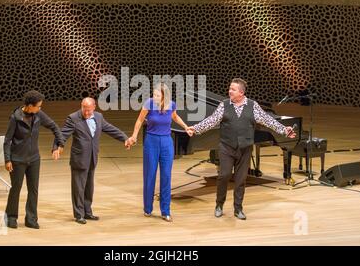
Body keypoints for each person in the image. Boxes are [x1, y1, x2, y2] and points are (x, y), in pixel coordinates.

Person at [187, 78, 296, 220]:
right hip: (227, 147)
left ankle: (238, 208)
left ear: (241, 92)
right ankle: (219, 205)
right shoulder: (224, 105)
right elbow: (211, 120)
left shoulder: (253, 106)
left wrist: (283, 129)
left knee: (240, 179)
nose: (229, 91)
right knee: (224, 176)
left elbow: (268, 120)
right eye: (230, 88)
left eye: (233, 89)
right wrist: (195, 129)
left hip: (245, 149)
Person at [52, 97, 132, 224]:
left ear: (94, 107)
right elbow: (63, 134)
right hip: (79, 158)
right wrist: (56, 147)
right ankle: (79, 215)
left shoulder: (99, 117)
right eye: (84, 109)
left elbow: (110, 129)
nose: (86, 112)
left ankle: (87, 212)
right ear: (81, 106)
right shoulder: (73, 118)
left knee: (89, 187)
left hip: (92, 157)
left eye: (89, 110)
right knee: (79, 187)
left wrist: (124, 138)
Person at [127, 83, 189, 222]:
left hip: (166, 142)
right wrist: (134, 136)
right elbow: (139, 120)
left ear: (164, 97)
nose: (154, 97)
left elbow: (175, 117)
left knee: (166, 176)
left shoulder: (171, 105)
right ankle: (148, 208)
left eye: (157, 95)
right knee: (150, 175)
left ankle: (165, 211)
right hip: (151, 142)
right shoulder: (149, 103)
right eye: (153, 94)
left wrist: (185, 127)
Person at [4, 90, 64, 229]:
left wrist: (59, 144)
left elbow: (54, 126)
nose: (40, 108)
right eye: (38, 106)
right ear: (29, 105)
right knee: (16, 188)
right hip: (17, 160)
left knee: (33, 189)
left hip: (34, 159)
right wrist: (7, 160)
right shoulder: (15, 118)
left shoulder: (38, 114)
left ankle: (31, 218)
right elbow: (7, 140)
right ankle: (11, 217)